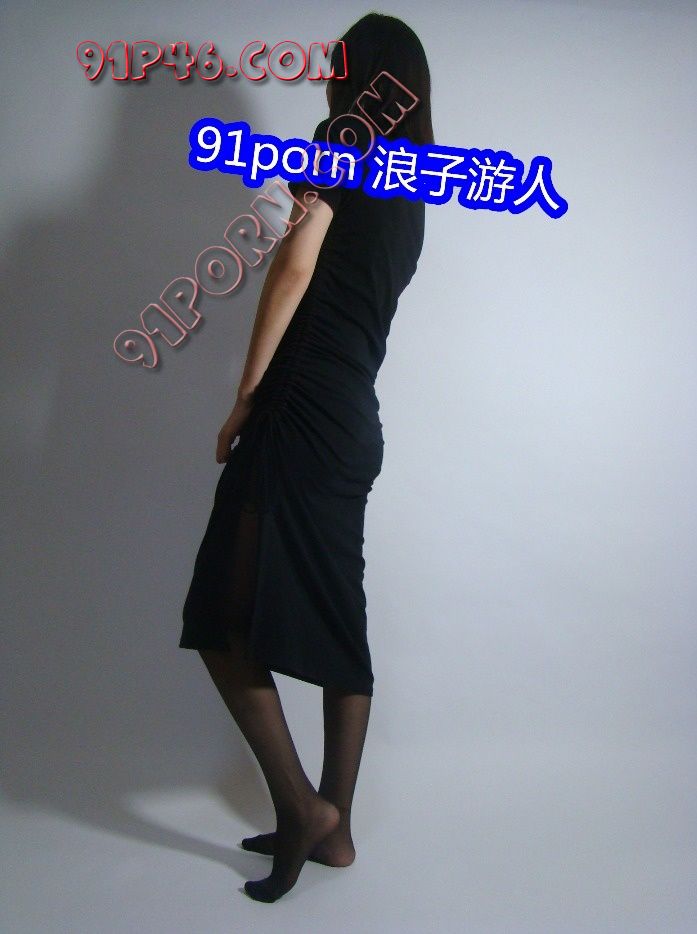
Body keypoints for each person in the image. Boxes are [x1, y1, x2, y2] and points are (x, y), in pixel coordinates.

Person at [179, 12, 434, 903]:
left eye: (338, 68)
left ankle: (300, 811)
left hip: (297, 414)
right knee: (336, 616)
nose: (328, 81)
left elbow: (294, 270)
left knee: (220, 616)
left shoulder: (340, 146)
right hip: (352, 424)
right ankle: (338, 829)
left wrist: (245, 397)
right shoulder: (417, 186)